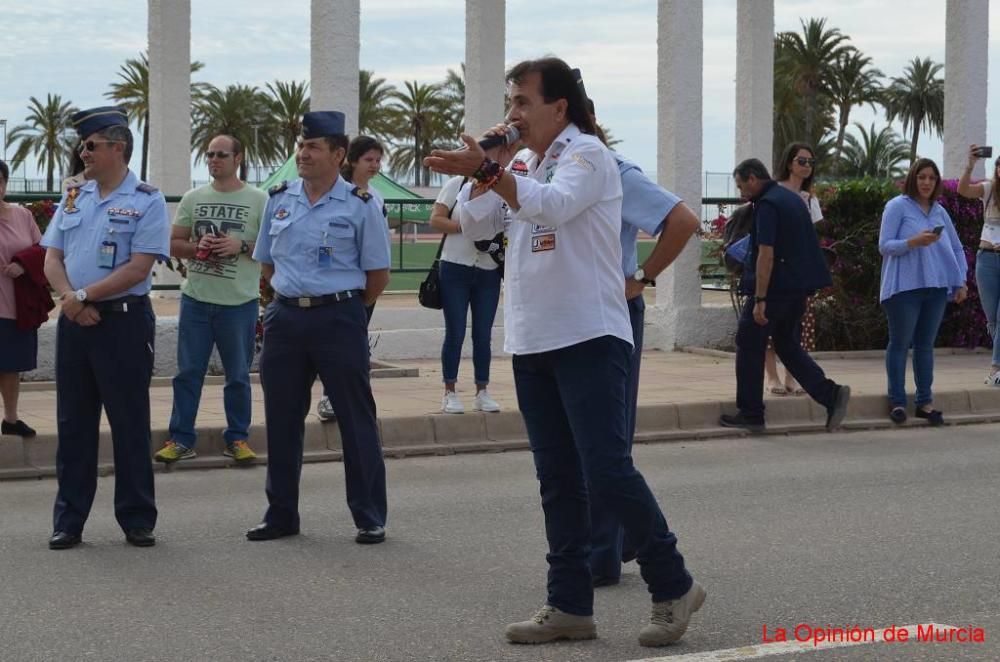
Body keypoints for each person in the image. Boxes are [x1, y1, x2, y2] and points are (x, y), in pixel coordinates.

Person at [424, 57, 704, 648]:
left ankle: (672, 583)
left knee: (605, 469)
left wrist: (491, 169)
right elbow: (474, 226)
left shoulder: (589, 156)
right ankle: (570, 604)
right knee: (557, 478)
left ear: (559, 107)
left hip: (589, 335)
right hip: (533, 339)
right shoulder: (521, 162)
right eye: (511, 102)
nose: (514, 114)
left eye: (524, 102)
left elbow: (550, 207)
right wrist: (486, 171)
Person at [249, 111, 391, 545]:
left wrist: (342, 307)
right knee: (282, 420)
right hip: (286, 318)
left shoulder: (360, 205)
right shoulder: (280, 198)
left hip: (339, 318)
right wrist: (287, 303)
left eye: (312, 147)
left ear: (338, 154)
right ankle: (281, 514)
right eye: (301, 146)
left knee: (354, 418)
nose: (302, 154)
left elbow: (377, 275)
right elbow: (267, 263)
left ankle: (369, 515)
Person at [582, 86, 701, 587]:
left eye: (528, 105)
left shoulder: (614, 170)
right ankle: (618, 540)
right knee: (583, 443)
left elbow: (682, 220)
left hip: (611, 314)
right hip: (571, 320)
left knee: (607, 443)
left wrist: (644, 276)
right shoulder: (548, 173)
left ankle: (607, 555)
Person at [41, 106, 170, 549]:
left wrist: (84, 297)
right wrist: (69, 301)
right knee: (73, 424)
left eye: (91, 145)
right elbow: (52, 257)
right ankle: (69, 520)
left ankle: (137, 518)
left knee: (129, 423)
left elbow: (139, 267)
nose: (83, 152)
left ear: (118, 147)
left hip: (123, 324)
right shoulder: (75, 196)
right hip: (76, 323)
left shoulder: (147, 199)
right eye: (82, 145)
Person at [152, 134, 266, 464]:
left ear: (238, 158)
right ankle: (181, 438)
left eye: (221, 154)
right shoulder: (192, 198)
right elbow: (174, 244)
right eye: (209, 155)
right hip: (196, 301)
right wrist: (197, 248)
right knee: (188, 373)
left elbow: (273, 246)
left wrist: (240, 246)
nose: (214, 160)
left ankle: (238, 438)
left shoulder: (259, 200)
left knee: (238, 376)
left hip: (239, 303)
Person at [720, 158, 851, 433]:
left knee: (748, 344)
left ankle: (751, 413)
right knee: (787, 345)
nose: (742, 192)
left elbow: (766, 255)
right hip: (796, 289)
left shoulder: (767, 205)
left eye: (742, 185)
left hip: (774, 291)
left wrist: (759, 299)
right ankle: (831, 395)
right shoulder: (790, 199)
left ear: (754, 178)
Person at [880, 158, 968, 425]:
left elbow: (955, 247)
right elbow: (885, 245)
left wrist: (961, 281)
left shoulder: (940, 212)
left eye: (931, 177)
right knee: (899, 344)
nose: (926, 182)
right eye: (922, 177)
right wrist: (913, 242)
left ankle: (925, 403)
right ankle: (897, 402)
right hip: (904, 288)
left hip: (936, 288)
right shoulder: (896, 206)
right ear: (912, 179)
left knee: (925, 347)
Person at [316, 135, 388, 422]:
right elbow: (325, 239)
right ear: (353, 161)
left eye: (378, 160)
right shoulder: (336, 195)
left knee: (356, 346)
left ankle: (348, 400)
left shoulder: (375, 199)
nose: (374, 165)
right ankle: (328, 397)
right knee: (331, 347)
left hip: (364, 284)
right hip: (337, 285)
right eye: (369, 160)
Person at [427, 174, 502, 414]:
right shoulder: (456, 184)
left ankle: (482, 391)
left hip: (488, 269)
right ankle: (449, 391)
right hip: (455, 267)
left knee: (483, 335)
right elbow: (436, 220)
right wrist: (465, 227)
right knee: (455, 332)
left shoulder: (504, 185)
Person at [766, 143, 824, 395]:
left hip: (799, 274)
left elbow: (814, 237)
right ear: (789, 163)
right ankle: (772, 377)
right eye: (802, 161)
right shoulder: (774, 193)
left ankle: (792, 376)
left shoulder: (810, 200)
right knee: (770, 325)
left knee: (800, 326)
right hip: (775, 269)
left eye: (810, 162)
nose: (806, 166)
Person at [0, 159, 43, 437]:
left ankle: (11, 420)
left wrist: (23, 264)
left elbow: (42, 249)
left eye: (0, 181)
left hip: (14, 306)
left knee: (11, 366)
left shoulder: (22, 216)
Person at [957, 145, 1000, 385]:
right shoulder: (990, 189)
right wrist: (970, 165)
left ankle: (995, 369)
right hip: (986, 258)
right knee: (992, 318)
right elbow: (963, 190)